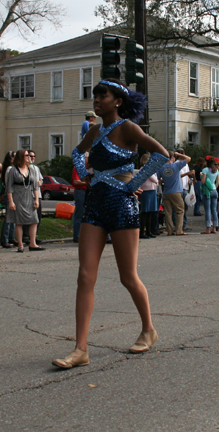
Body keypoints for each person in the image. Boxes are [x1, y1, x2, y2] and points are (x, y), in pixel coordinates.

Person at [52, 77, 169, 370]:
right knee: (85, 276)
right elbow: (77, 153)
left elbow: (161, 154)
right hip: (95, 205)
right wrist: (86, 174)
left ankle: (148, 329)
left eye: (102, 95)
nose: (97, 99)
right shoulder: (94, 131)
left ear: (117, 100)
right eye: (95, 95)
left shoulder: (128, 128)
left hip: (122, 206)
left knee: (127, 276)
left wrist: (135, 183)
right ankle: (80, 349)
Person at [6, 149, 41, 252]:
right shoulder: (13, 170)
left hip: (29, 197)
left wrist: (36, 199)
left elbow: (35, 186)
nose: (28, 157)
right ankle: (20, 245)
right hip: (18, 197)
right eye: (26, 155)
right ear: (21, 157)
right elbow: (9, 187)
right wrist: (11, 201)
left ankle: (32, 243)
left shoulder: (31, 170)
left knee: (34, 220)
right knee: (19, 222)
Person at [160, 150, 190, 236]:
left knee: (168, 212)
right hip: (176, 191)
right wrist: (179, 154)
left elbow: (159, 179)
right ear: (173, 157)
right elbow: (188, 159)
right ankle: (179, 230)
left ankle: (169, 230)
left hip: (166, 192)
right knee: (180, 211)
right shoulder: (176, 165)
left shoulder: (162, 167)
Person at [137, 153, 159, 239]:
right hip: (147, 191)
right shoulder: (146, 169)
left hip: (150, 190)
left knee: (149, 212)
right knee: (146, 212)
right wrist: (157, 181)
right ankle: (143, 231)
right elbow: (154, 179)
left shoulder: (144, 169)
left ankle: (148, 231)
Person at [0, 151, 16, 248]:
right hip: (10, 194)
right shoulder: (10, 169)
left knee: (13, 217)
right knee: (9, 218)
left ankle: (11, 236)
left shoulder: (12, 168)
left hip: (13, 194)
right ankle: (4, 238)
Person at [71, 153, 90, 242]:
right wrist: (87, 183)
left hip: (87, 191)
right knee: (79, 213)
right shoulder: (78, 168)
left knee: (87, 214)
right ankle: (77, 235)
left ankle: (85, 235)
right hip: (80, 191)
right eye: (87, 158)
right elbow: (76, 182)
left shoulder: (88, 169)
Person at [200, 158, 219, 234]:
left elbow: (203, 181)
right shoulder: (217, 170)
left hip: (207, 191)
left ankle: (208, 228)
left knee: (207, 210)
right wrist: (214, 187)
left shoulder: (205, 170)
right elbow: (218, 182)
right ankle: (214, 227)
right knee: (214, 210)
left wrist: (201, 176)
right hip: (214, 190)